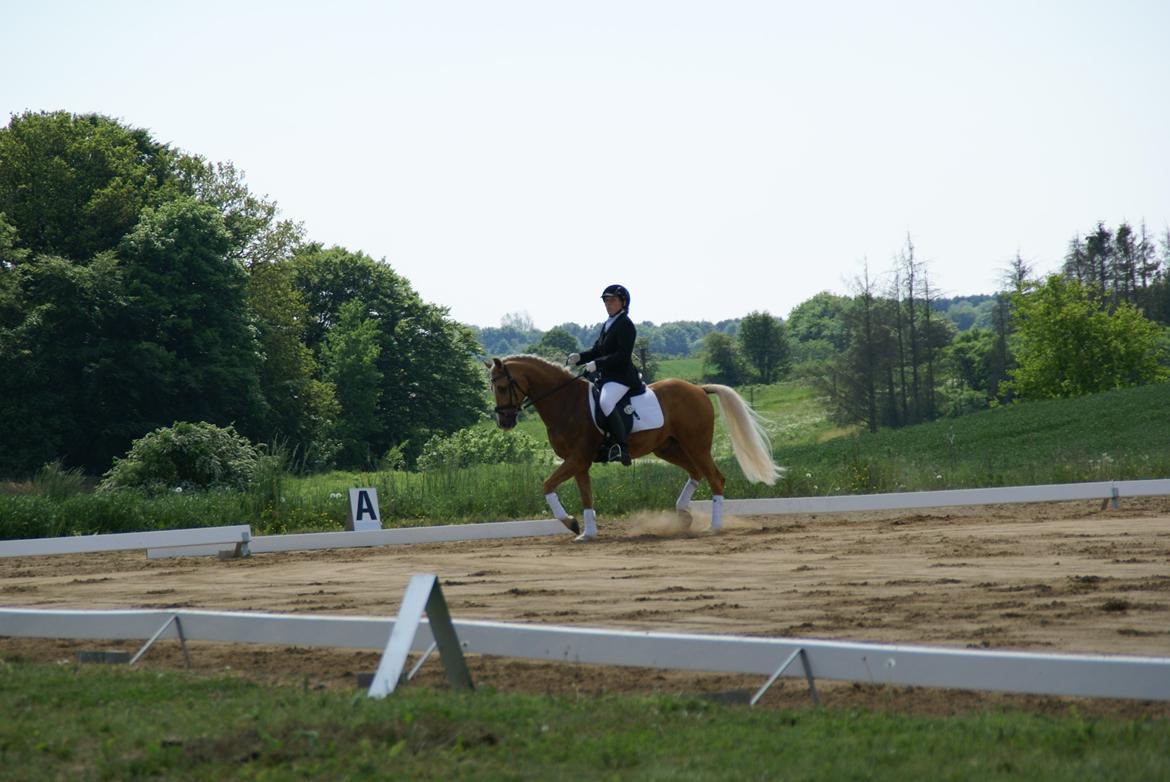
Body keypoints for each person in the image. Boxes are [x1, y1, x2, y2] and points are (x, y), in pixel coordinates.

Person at [568, 284, 640, 466]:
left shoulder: (626, 325)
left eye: (612, 300)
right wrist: (579, 357)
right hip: (606, 376)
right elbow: (597, 350)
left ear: (623, 303)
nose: (608, 304)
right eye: (606, 301)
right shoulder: (608, 324)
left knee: (606, 402)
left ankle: (621, 448)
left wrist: (597, 364)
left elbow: (622, 356)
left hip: (621, 377)